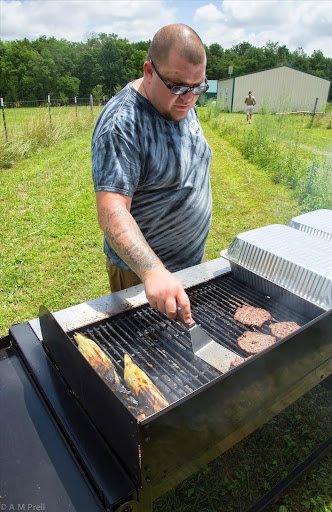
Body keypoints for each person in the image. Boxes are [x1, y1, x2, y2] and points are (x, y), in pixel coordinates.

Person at [91, 24, 212, 327]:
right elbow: (111, 210)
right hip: (144, 277)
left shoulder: (180, 98)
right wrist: (153, 271)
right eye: (179, 86)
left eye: (198, 87)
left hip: (188, 265)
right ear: (149, 71)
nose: (188, 98)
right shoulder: (123, 123)